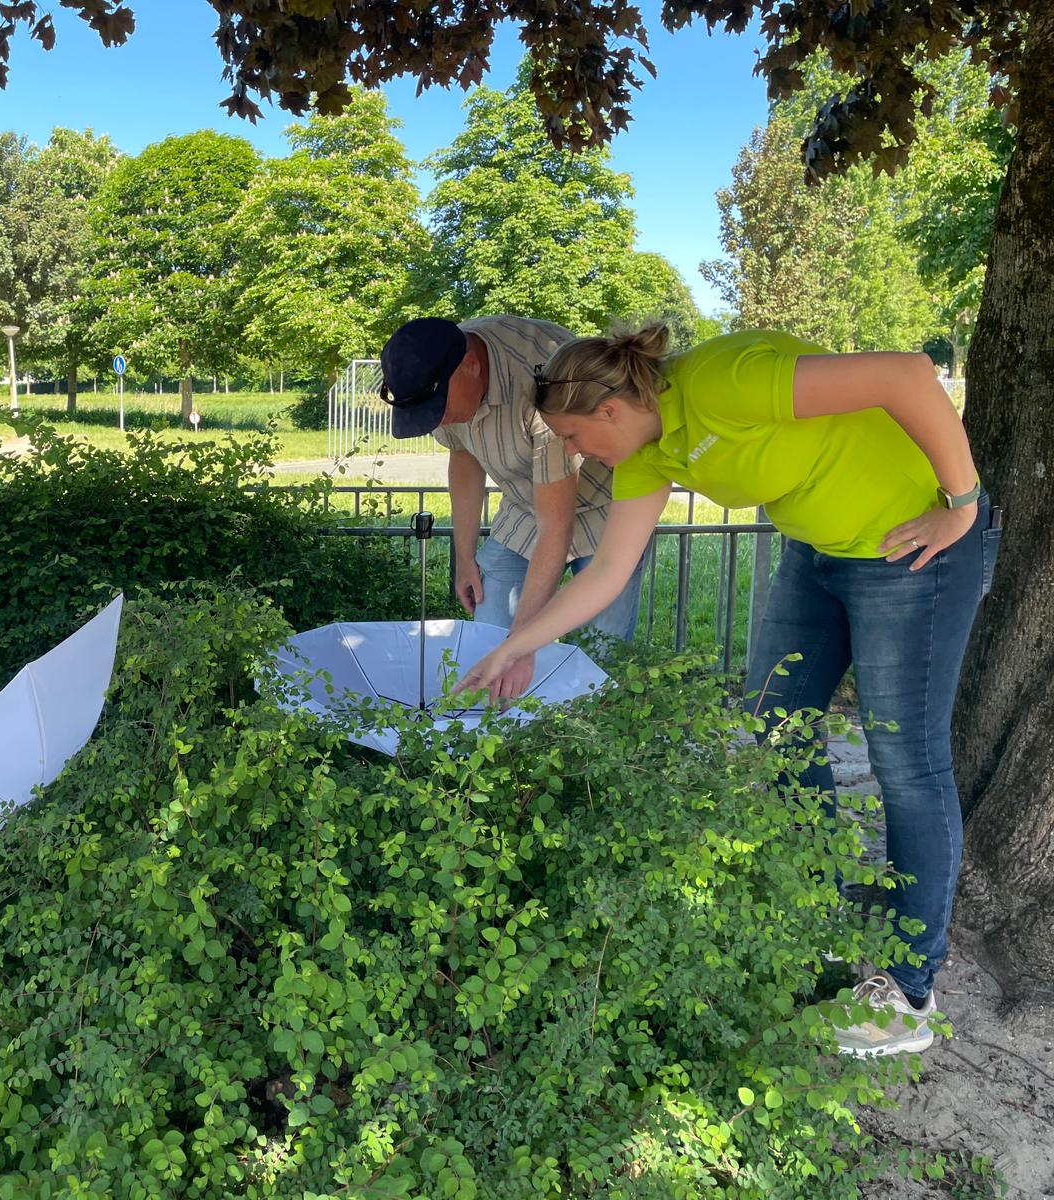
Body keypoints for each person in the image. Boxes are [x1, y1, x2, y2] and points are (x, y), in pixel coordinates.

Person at [455, 323, 1001, 1057]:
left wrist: (961, 503)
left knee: (906, 762)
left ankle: (909, 993)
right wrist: (512, 647)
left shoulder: (719, 381)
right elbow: (608, 573)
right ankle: (819, 921)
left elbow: (905, 373)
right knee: (777, 720)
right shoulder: (648, 455)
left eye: (575, 436)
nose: (576, 454)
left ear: (610, 411)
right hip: (819, 552)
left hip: (913, 549)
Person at [379, 316, 646, 696]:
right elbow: (464, 459)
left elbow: (557, 526)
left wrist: (522, 643)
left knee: (602, 654)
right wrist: (465, 556)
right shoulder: (436, 374)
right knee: (489, 637)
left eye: (439, 407)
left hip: (605, 512)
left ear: (470, 366)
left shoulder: (540, 378)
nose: (438, 419)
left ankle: (591, 733)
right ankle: (497, 737)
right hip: (523, 511)